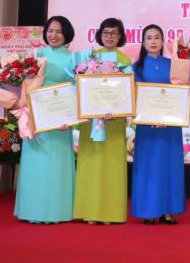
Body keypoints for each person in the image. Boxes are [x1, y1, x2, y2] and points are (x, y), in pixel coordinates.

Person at [14, 16, 77, 223]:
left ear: (66, 33)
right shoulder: (35, 55)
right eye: (50, 30)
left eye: (58, 31)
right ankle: (32, 209)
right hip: (35, 118)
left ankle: (57, 211)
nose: (54, 35)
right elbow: (24, 85)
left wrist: (69, 118)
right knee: (36, 163)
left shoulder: (74, 59)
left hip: (59, 122)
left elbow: (76, 91)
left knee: (56, 164)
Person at [73, 18, 131, 224]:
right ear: (99, 34)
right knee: (91, 164)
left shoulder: (126, 60)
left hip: (113, 121)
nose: (109, 36)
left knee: (111, 165)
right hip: (91, 120)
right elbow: (79, 87)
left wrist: (116, 108)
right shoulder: (88, 58)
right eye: (106, 32)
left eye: (114, 33)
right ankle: (89, 211)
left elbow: (127, 92)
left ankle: (110, 212)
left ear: (121, 36)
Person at [131, 24, 185, 224]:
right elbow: (134, 96)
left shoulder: (173, 64)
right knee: (149, 167)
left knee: (169, 166)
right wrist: (153, 117)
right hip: (147, 126)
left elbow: (181, 92)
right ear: (143, 42)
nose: (153, 41)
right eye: (149, 38)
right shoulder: (136, 67)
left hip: (170, 126)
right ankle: (149, 210)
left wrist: (166, 117)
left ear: (163, 42)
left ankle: (168, 210)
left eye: (157, 37)